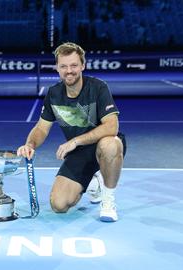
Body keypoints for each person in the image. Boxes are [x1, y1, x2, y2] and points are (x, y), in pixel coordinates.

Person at [17, 42, 126, 222]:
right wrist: (30, 144)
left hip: (103, 145)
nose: (69, 70)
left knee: (110, 144)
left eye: (74, 65)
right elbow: (41, 128)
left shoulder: (98, 88)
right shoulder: (54, 94)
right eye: (64, 66)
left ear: (82, 65)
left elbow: (111, 126)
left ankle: (107, 200)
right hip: (79, 154)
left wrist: (75, 141)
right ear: (57, 69)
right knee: (59, 205)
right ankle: (93, 181)